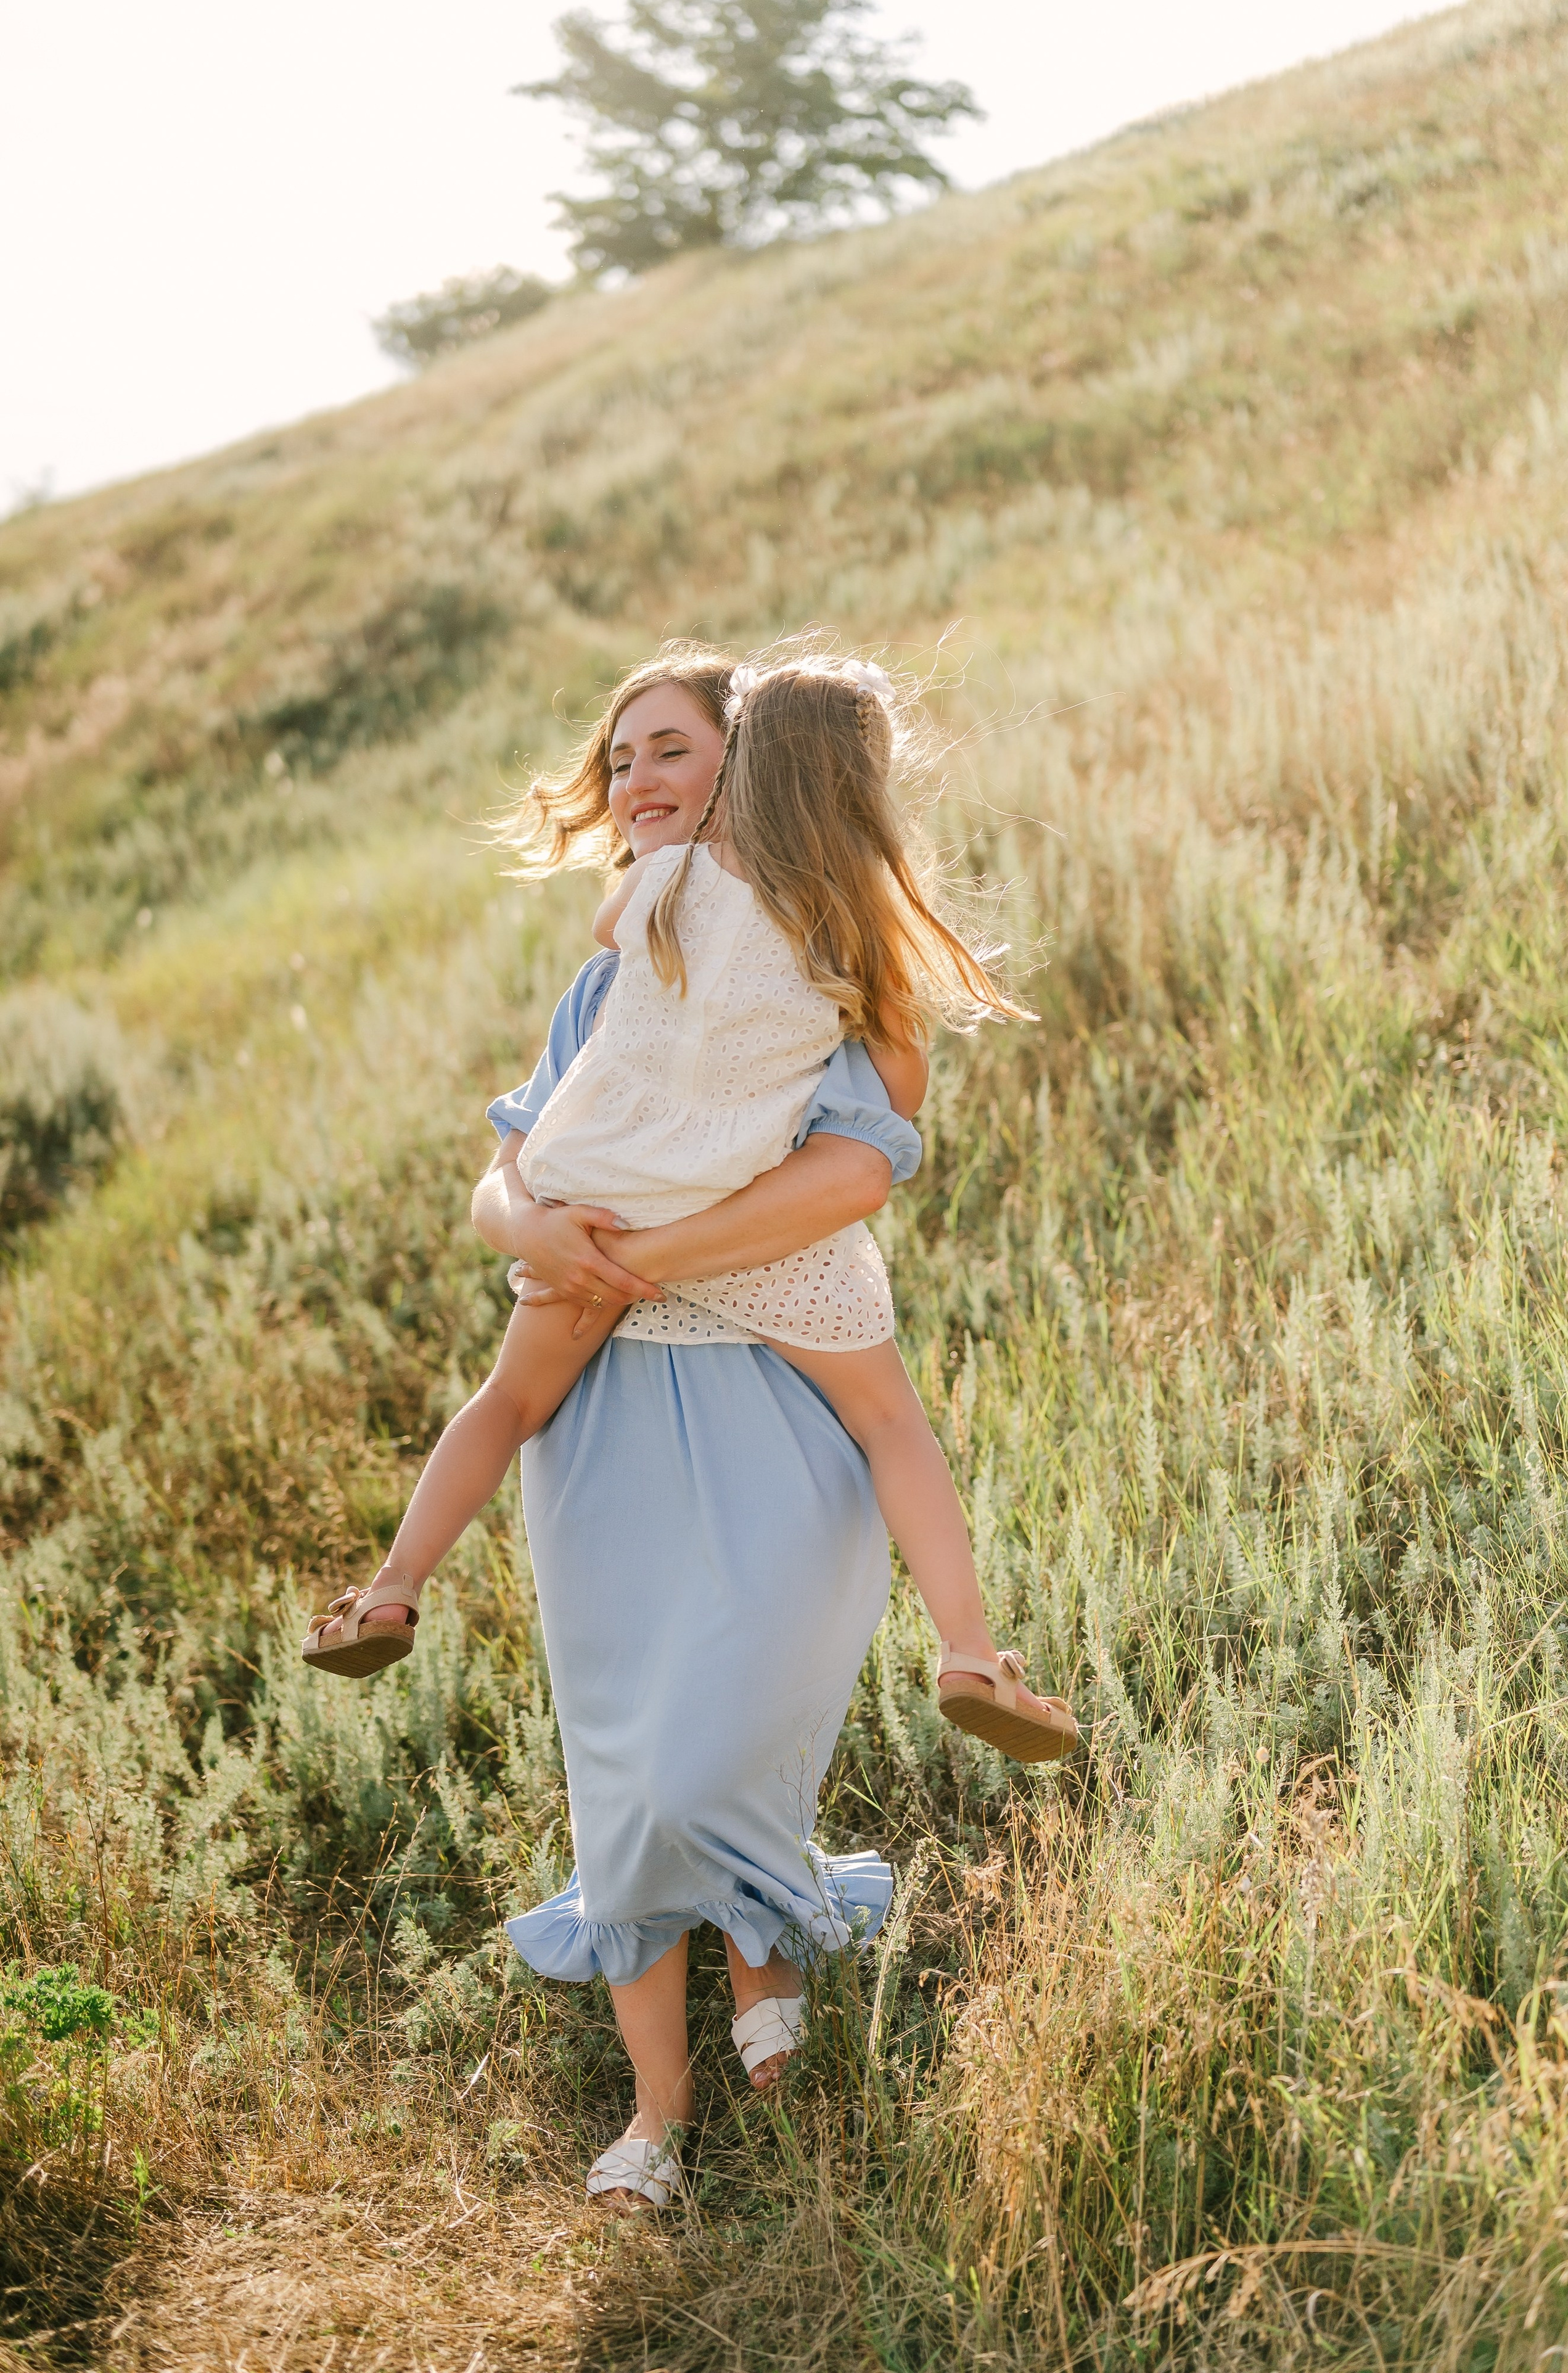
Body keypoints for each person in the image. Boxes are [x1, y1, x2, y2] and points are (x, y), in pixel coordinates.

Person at [304, 644, 1077, 2210]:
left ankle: (780, 1929)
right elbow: (504, 1175)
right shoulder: (614, 966)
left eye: (668, 749)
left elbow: (863, 1162)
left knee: (720, 1739)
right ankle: (657, 2117)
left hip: (770, 1394)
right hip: (600, 1421)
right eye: (618, 761)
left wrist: (634, 1250)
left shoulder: (825, 949)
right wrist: (544, 1235)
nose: (636, 782)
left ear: (740, 769)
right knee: (629, 1771)